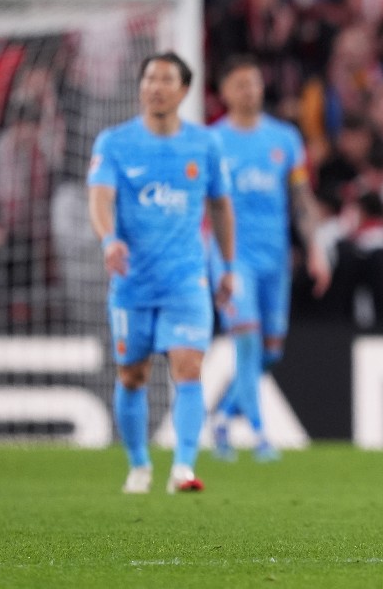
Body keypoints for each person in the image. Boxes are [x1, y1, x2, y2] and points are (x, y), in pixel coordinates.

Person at [87, 52, 236, 494]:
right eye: (149, 77)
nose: (155, 85)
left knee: (188, 367)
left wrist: (226, 266)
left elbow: (221, 207)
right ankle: (138, 465)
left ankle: (183, 469)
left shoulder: (205, 144)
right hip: (132, 281)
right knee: (132, 374)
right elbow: (100, 198)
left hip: (187, 278)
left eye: (166, 78)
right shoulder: (114, 142)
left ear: (184, 90)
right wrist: (108, 239)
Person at [209, 56, 331, 463]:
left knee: (270, 350)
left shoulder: (285, 139)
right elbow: (201, 206)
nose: (250, 91)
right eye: (241, 84)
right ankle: (260, 434)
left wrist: (315, 248)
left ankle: (223, 417)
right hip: (230, 257)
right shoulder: (213, 142)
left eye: (255, 83)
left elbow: (301, 201)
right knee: (246, 338)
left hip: (274, 259)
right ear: (224, 92)